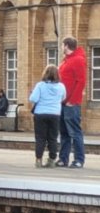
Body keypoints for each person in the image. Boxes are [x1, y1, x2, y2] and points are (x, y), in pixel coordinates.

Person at [56, 36, 86, 168]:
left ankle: (79, 159)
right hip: (62, 103)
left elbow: (81, 81)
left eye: (62, 45)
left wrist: (72, 100)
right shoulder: (66, 60)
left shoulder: (78, 60)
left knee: (74, 132)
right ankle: (63, 159)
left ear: (67, 45)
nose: (61, 47)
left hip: (71, 104)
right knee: (64, 132)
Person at [28, 65, 66, 168]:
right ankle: (52, 160)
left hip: (40, 113)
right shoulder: (61, 86)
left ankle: (38, 160)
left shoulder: (40, 85)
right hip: (55, 114)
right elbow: (63, 98)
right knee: (52, 138)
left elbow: (33, 99)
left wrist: (31, 94)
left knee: (40, 138)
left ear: (45, 73)